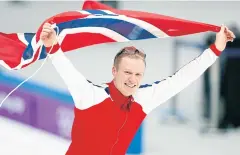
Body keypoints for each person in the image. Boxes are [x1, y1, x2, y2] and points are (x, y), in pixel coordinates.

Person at [40, 22, 235, 155]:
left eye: (138, 74)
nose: (133, 80)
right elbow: (64, 67)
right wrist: (52, 46)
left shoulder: (143, 98)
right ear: (114, 71)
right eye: (127, 72)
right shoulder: (90, 94)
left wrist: (215, 49)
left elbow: (181, 79)